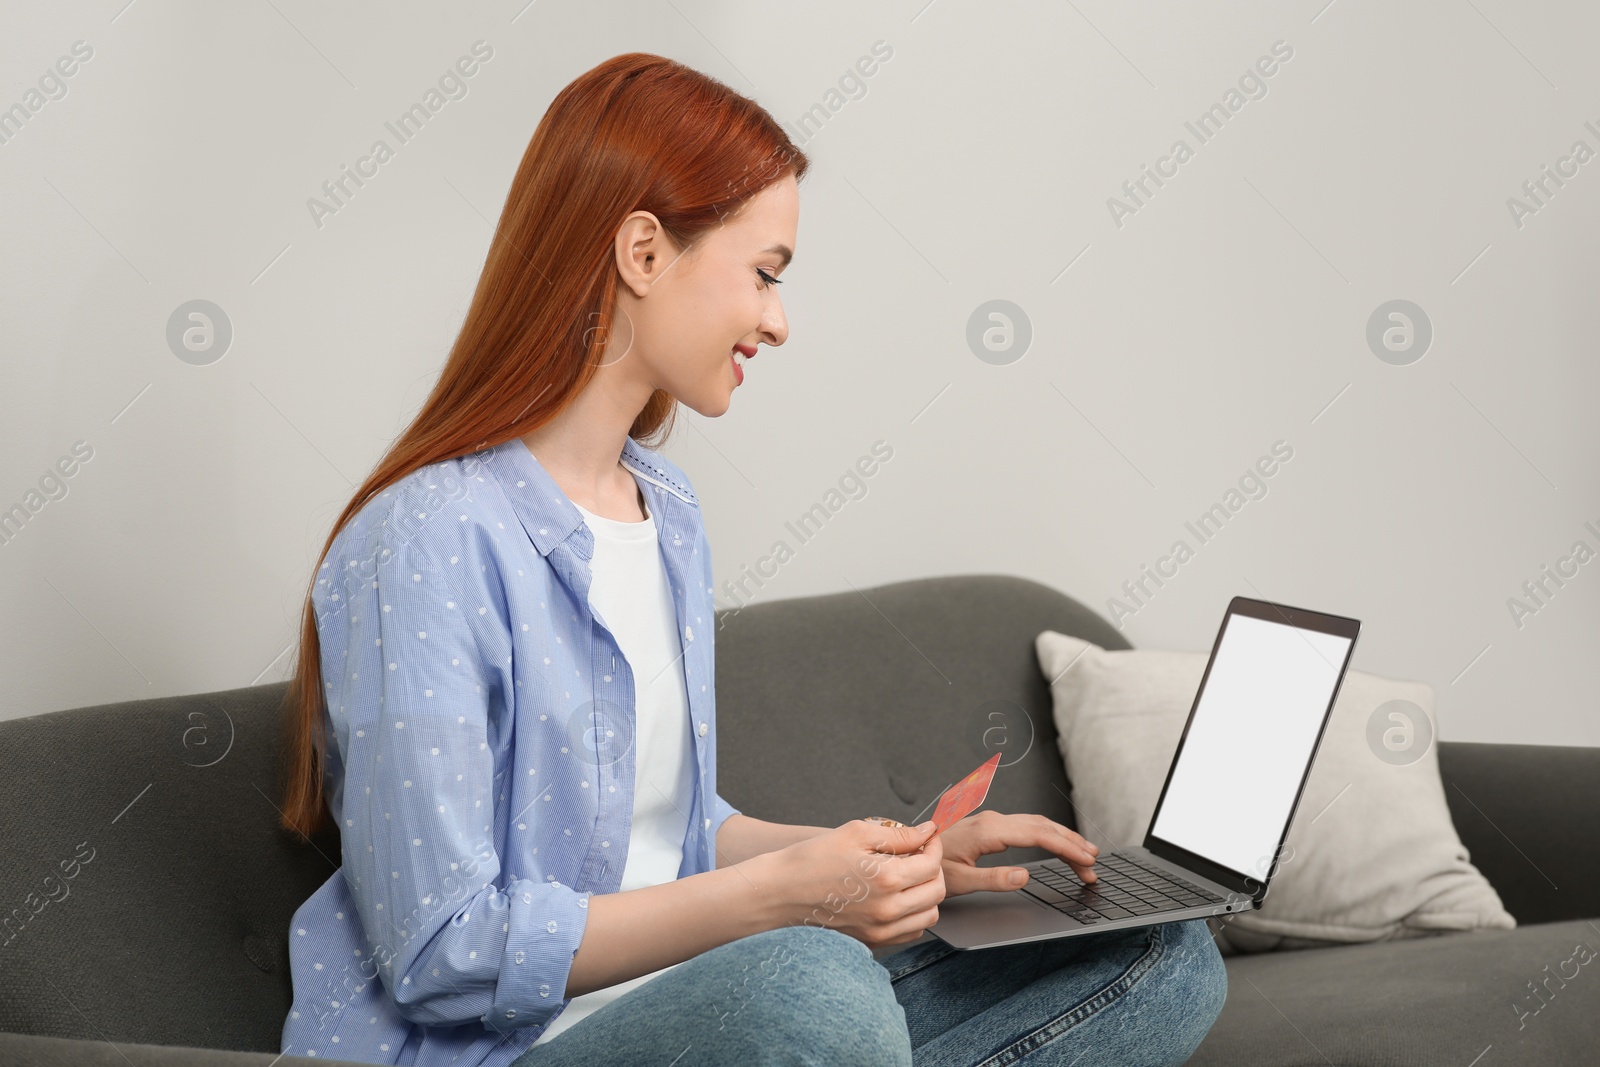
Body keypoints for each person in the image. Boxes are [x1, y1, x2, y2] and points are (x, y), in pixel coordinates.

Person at [276, 52, 1227, 1067]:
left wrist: (899, 860)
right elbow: (443, 947)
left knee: (1159, 956)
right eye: (765, 272)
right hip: (502, 1049)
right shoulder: (425, 539)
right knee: (808, 984)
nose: (778, 319)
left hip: (695, 1012)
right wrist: (780, 902)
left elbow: (668, 828)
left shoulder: (667, 512)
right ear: (643, 250)